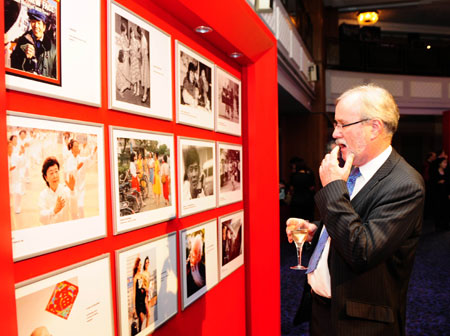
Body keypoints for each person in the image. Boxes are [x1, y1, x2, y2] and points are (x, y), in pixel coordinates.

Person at [286, 84, 425, 335]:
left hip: (361, 323)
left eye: (342, 124)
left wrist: (333, 187)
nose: (335, 133)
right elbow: (350, 224)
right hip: (323, 310)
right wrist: (317, 230)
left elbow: (361, 250)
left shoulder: (404, 184)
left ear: (374, 127)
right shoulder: (353, 171)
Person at [10, 8, 56, 78]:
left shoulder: (53, 49)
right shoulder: (22, 41)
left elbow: (56, 76)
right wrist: (24, 57)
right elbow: (13, 65)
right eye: (33, 22)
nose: (36, 26)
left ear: (44, 27)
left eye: (38, 23)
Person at [39, 156, 77, 224]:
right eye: (51, 173)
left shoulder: (65, 190)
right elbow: (42, 217)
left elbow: (74, 211)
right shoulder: (43, 195)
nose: (55, 176)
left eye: (56, 171)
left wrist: (72, 190)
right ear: (46, 177)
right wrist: (54, 211)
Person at [65, 139, 97, 218]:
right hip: (73, 190)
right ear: (71, 148)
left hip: (81, 188)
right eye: (75, 146)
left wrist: (93, 152)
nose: (77, 148)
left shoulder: (81, 159)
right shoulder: (69, 160)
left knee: (80, 207)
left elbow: (89, 159)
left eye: (78, 146)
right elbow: (69, 174)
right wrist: (76, 168)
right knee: (74, 211)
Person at [429, 157, 450, 230]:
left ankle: (446, 225)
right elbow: (431, 183)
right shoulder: (434, 172)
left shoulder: (447, 172)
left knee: (446, 209)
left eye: (446, 163)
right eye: (444, 163)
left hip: (445, 193)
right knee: (438, 209)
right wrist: (438, 182)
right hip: (437, 194)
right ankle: (438, 226)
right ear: (439, 164)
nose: (445, 164)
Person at [132, 257, 147, 332]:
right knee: (141, 317)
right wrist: (134, 307)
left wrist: (144, 288)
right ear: (137, 266)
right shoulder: (135, 278)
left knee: (143, 317)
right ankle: (140, 330)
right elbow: (134, 293)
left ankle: (140, 330)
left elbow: (144, 286)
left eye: (141, 265)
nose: (141, 266)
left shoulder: (142, 276)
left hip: (143, 299)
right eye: (140, 265)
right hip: (138, 301)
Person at [138, 26, 150, 103]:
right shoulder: (143, 38)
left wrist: (139, 54)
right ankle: (145, 93)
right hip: (144, 59)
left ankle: (145, 94)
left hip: (145, 59)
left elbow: (143, 52)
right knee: (143, 76)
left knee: (145, 77)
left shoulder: (143, 39)